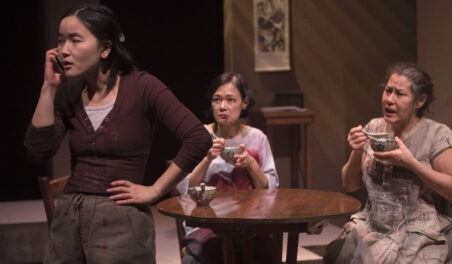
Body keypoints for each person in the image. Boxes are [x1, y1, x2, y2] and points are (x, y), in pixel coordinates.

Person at [24, 4, 211, 263]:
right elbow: (38, 150)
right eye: (61, 40)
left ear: (105, 48)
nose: (64, 50)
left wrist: (155, 190)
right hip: (68, 219)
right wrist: (48, 88)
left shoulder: (143, 86)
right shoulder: (69, 92)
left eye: (75, 40)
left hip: (120, 221)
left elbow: (199, 138)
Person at [324, 62, 452, 264]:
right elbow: (349, 185)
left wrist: (411, 163)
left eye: (400, 94)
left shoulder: (436, 135)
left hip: (422, 231)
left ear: (420, 101)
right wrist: (356, 151)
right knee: (335, 254)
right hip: (375, 225)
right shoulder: (375, 127)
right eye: (388, 91)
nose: (389, 100)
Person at [176, 72, 279, 264]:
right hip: (207, 225)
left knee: (266, 251)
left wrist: (251, 164)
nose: (223, 107)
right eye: (217, 100)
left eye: (230, 100)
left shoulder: (257, 138)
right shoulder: (199, 137)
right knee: (214, 252)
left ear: (244, 103)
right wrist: (207, 159)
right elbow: (183, 189)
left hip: (250, 225)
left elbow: (271, 190)